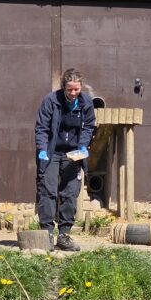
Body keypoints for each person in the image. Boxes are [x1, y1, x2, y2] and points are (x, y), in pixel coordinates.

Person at [35, 68, 95, 251]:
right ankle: (47, 234)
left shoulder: (86, 103)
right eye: (69, 89)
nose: (73, 93)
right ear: (63, 87)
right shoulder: (51, 101)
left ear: (81, 87)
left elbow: (88, 127)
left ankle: (64, 235)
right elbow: (41, 128)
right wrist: (42, 149)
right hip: (52, 152)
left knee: (70, 193)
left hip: (73, 154)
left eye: (76, 89)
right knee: (48, 191)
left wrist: (83, 145)